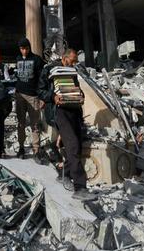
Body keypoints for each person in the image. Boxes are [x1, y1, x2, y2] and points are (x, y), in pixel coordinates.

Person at [37, 48, 93, 200]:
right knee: (72, 144)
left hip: (74, 110)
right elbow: (40, 90)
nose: (74, 64)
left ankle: (65, 174)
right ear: (64, 57)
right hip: (60, 112)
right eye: (72, 61)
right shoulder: (49, 69)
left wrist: (80, 95)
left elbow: (75, 89)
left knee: (78, 145)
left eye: (75, 61)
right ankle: (80, 188)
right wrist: (53, 96)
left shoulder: (71, 70)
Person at [14, 38, 45, 162]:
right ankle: (21, 148)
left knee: (35, 124)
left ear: (29, 47)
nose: (24, 51)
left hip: (33, 96)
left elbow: (43, 79)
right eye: (22, 49)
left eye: (26, 48)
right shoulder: (18, 59)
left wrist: (42, 97)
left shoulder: (37, 60)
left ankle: (36, 150)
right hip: (19, 95)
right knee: (21, 124)